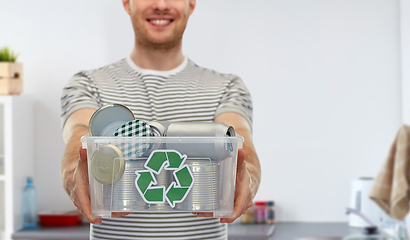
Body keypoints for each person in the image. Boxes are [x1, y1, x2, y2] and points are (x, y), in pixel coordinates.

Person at [60, 0, 261, 239]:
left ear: (191, 4)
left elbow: (238, 134)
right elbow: (79, 130)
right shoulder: (87, 84)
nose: (161, 4)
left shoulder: (228, 87)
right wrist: (72, 170)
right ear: (127, 3)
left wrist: (249, 173)